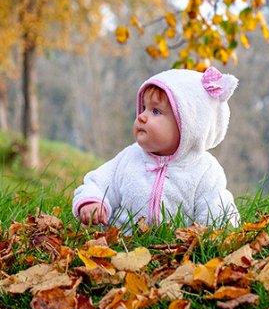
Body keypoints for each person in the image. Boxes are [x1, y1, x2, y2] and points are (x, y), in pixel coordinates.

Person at [72, 66, 240, 229]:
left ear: (189, 126)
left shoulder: (206, 171)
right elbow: (100, 182)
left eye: (156, 111)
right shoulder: (129, 158)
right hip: (122, 246)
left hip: (175, 252)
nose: (142, 117)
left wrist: (217, 234)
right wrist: (93, 201)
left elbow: (216, 209)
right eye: (144, 108)